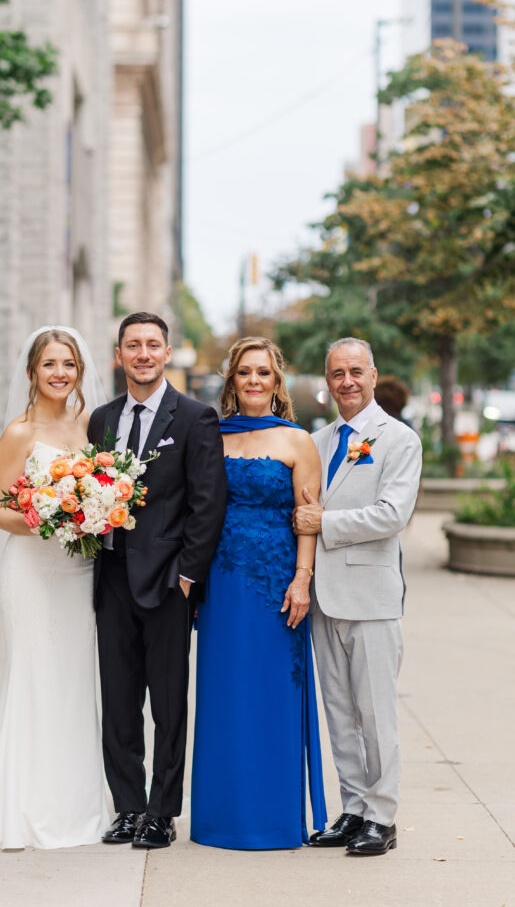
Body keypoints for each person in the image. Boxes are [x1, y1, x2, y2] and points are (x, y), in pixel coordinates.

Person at [87, 312, 226, 849]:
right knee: (119, 701)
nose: (143, 354)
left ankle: (162, 813)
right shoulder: (100, 420)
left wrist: (188, 577)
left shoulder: (194, 418)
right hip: (112, 579)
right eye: (132, 345)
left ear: (167, 353)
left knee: (168, 704)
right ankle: (127, 807)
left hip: (170, 583)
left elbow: (206, 505)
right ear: (119, 355)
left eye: (152, 345)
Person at [0, 326, 109, 850]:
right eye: (50, 364)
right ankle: (21, 809)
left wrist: (91, 512)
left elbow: (103, 489)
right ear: (32, 371)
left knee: (73, 681)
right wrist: (45, 518)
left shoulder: (91, 425)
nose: (60, 374)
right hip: (30, 569)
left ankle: (76, 808)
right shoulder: (19, 433)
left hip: (78, 572)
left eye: (69, 365)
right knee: (33, 677)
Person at [191, 336, 327, 849]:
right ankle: (219, 818)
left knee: (272, 694)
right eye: (244, 372)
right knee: (224, 695)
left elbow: (307, 518)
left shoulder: (297, 442)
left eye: (263, 373)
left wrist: (302, 578)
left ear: (276, 381)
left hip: (276, 586)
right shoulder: (211, 436)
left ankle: (271, 819)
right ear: (232, 380)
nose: (253, 380)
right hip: (222, 583)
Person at [293, 337, 422, 856]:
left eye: (354, 372)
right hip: (325, 598)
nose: (345, 381)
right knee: (340, 712)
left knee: (376, 714)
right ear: (327, 381)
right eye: (336, 373)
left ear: (373, 376)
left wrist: (325, 522)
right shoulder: (317, 440)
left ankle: (383, 815)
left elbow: (393, 514)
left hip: (371, 597)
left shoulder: (399, 440)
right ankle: (353, 809)